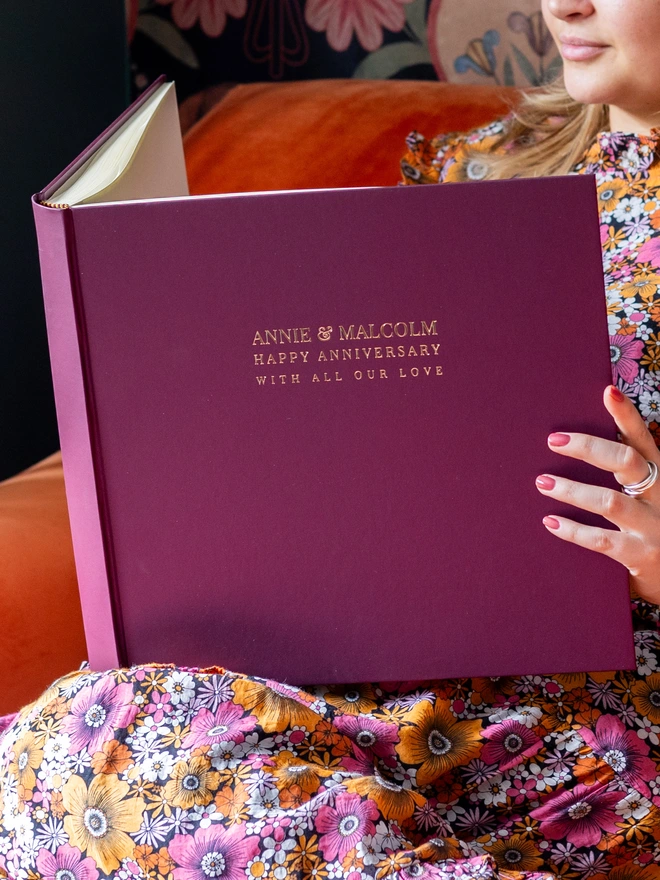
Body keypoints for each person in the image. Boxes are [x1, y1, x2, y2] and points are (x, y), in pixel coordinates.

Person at [2, 1, 660, 877]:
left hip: (576, 702)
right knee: (72, 740)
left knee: (128, 774)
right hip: (358, 657)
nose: (563, 3)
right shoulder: (485, 171)